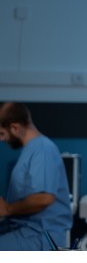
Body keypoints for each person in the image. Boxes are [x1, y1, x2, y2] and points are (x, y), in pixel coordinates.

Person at [0, 102, 72, 250]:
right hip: (24, 231)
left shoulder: (42, 149)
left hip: (40, 237)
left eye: (2, 133)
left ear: (15, 128)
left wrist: (7, 209)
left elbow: (44, 198)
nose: (2, 139)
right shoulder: (32, 150)